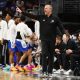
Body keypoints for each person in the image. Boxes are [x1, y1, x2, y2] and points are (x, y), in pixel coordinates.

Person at [16, 4, 65, 75]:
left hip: (52, 40)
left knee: (51, 55)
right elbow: (32, 16)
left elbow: (61, 27)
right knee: (44, 54)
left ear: (50, 9)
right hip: (44, 40)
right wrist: (22, 12)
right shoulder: (41, 17)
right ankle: (44, 71)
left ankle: (50, 71)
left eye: (46, 8)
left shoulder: (55, 18)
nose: (44, 9)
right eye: (44, 8)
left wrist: (63, 34)